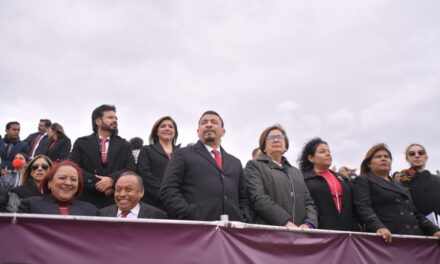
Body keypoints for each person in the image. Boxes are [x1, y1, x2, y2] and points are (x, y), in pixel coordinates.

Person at [160, 110, 252, 221]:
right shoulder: (182, 154)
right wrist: (187, 213)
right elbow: (169, 189)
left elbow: (243, 197)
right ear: (198, 131)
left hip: (232, 230)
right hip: (197, 229)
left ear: (223, 132)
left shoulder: (235, 162)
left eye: (214, 122)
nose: (208, 124)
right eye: (204, 122)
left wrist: (243, 217)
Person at [353, 143, 440, 243]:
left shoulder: (400, 184)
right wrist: (378, 227)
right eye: (378, 156)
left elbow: (414, 212)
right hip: (389, 238)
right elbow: (363, 206)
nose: (383, 159)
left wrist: (433, 230)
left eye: (387, 156)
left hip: (416, 235)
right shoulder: (404, 176)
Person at [244, 125, 317, 227]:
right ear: (264, 147)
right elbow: (258, 198)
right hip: (269, 234)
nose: (276, 140)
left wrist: (309, 223)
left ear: (285, 145)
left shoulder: (296, 172)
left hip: (300, 234)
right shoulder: (255, 166)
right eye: (271, 138)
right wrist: (285, 222)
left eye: (280, 137)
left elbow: (308, 202)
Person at [70, 104, 135, 208]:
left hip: (114, 201)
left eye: (115, 118)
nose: (114, 120)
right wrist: (98, 183)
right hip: (86, 200)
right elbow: (73, 167)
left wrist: (112, 180)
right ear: (98, 122)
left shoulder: (125, 145)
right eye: (110, 117)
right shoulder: (81, 143)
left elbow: (131, 168)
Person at [298, 138, 358, 231]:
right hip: (320, 233)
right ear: (311, 158)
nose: (328, 154)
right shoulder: (303, 179)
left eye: (328, 151)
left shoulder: (343, 179)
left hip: (348, 233)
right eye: (322, 151)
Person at [18, 160, 99, 216]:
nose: (68, 183)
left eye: (74, 179)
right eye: (62, 178)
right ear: (49, 183)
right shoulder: (30, 206)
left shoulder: (91, 211)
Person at [137, 116, 180, 210]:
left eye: (170, 126)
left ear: (175, 133)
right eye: (163, 126)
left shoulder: (183, 152)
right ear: (156, 131)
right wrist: (165, 194)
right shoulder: (146, 150)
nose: (167, 128)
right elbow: (145, 175)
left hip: (179, 203)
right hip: (154, 203)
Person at [100, 171, 167, 219]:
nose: (122, 194)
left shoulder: (157, 216)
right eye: (118, 190)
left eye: (128, 190)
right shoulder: (102, 215)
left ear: (141, 192)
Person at [400, 144, 440, 216]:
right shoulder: (402, 183)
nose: (417, 155)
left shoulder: (437, 180)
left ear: (426, 157)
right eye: (412, 154)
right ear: (407, 158)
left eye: (421, 153)